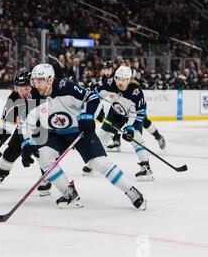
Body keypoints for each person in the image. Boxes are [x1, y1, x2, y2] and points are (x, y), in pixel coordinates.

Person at [20, 64, 146, 210]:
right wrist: (26, 142)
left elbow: (92, 98)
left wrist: (87, 117)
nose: (36, 85)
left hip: (79, 130)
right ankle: (69, 194)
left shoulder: (66, 87)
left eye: (39, 81)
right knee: (43, 157)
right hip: (55, 133)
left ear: (50, 80)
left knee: (100, 163)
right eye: (34, 81)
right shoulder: (33, 96)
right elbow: (25, 122)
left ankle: (130, 190)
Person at [0, 71, 51, 195]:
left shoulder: (42, 95)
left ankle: (46, 178)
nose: (23, 92)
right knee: (11, 150)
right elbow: (6, 123)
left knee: (42, 153)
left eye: (26, 88)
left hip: (44, 129)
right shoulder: (14, 98)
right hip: (24, 129)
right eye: (19, 88)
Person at [87, 65, 155, 181]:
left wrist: (130, 128)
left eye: (124, 80)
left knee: (136, 139)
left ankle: (146, 168)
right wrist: (98, 109)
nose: (120, 82)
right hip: (116, 111)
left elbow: (139, 113)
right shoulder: (109, 83)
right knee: (103, 135)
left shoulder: (136, 92)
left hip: (133, 115)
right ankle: (94, 161)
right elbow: (95, 93)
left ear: (129, 80)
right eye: (118, 79)